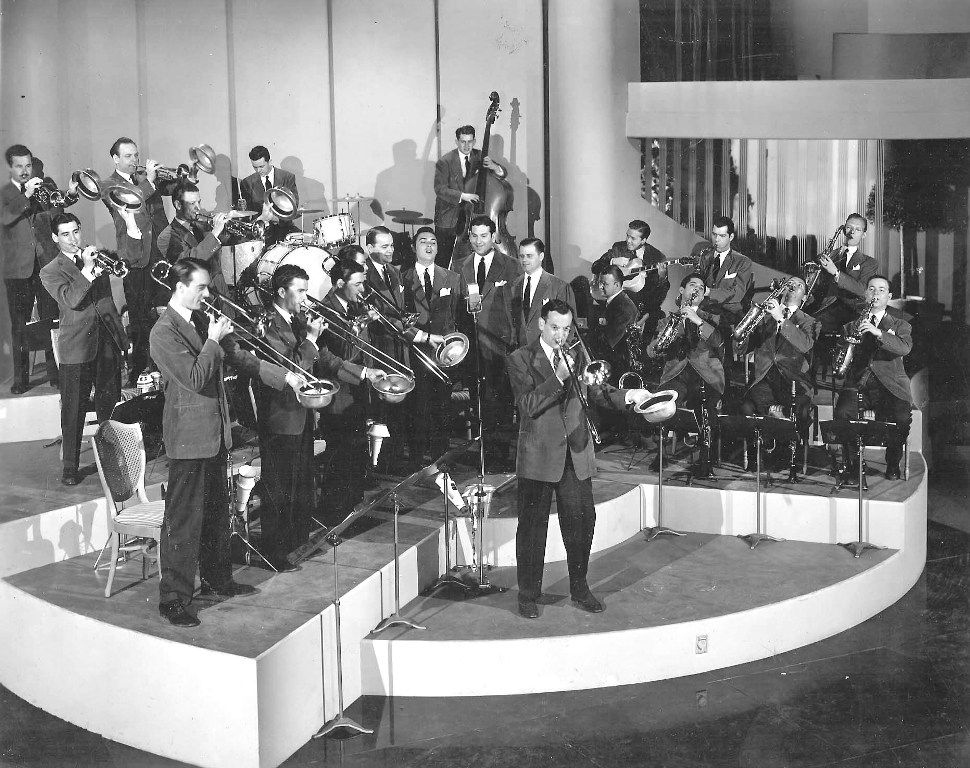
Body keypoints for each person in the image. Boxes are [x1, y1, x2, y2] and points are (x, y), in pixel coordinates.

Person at [149, 258, 304, 627]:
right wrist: (214, 340)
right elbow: (195, 376)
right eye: (201, 287)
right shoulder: (163, 332)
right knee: (184, 521)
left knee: (217, 513)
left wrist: (286, 378)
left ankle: (218, 580)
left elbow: (241, 358)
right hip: (188, 439)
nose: (208, 294)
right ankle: (174, 599)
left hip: (215, 434)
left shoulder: (201, 321)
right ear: (180, 287)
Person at [508, 299, 649, 619]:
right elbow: (528, 405)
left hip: (576, 452)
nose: (561, 334)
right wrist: (557, 379)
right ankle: (528, 594)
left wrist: (629, 396)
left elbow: (599, 392)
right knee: (532, 529)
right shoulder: (519, 358)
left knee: (582, 521)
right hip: (538, 456)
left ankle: (580, 586)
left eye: (566, 328)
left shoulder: (578, 354)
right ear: (541, 325)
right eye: (555, 327)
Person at [254, 263, 371, 570]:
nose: (306, 297)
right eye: (301, 291)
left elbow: (318, 361)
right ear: (281, 292)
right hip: (280, 417)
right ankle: (276, 552)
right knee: (280, 487)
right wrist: (311, 339)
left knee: (301, 484)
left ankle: (296, 544)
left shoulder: (295, 319)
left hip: (303, 414)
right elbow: (289, 366)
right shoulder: (267, 323)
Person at [40, 212, 134, 485]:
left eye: (76, 231)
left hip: (106, 341)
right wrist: (87, 271)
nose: (73, 239)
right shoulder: (50, 271)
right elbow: (71, 299)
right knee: (73, 411)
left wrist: (122, 339)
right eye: (65, 235)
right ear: (56, 239)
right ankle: (70, 467)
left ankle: (112, 461)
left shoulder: (95, 256)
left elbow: (106, 303)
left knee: (110, 407)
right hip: (77, 346)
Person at [1, 145, 76, 392]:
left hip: (45, 265)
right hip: (18, 270)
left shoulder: (45, 189)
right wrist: (26, 196)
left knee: (51, 319)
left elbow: (59, 212)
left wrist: (68, 194)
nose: (26, 171)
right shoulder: (6, 194)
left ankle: (55, 374)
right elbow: (5, 218)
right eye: (21, 166)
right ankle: (21, 380)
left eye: (30, 166)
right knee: (19, 325)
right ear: (12, 168)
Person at [451, 215, 522, 469]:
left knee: (501, 401)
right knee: (477, 400)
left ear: (494, 237)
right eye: (474, 235)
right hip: (472, 347)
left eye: (484, 236)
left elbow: (517, 309)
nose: (478, 241)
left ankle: (499, 456)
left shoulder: (512, 265)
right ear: (468, 237)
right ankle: (482, 451)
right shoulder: (460, 265)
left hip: (500, 346)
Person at [102, 136, 172, 386]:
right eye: (129, 156)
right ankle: (139, 370)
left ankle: (162, 367)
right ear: (116, 159)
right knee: (140, 318)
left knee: (162, 314)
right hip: (134, 259)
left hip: (156, 255)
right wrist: (151, 181)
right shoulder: (108, 185)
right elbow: (131, 200)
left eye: (136, 155)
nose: (135, 160)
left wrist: (181, 177)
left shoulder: (143, 180)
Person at [830, 275, 912, 482]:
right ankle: (854, 465)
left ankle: (893, 462)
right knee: (842, 413)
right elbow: (840, 361)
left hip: (891, 387)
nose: (876, 294)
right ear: (866, 294)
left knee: (901, 418)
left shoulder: (901, 324)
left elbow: (904, 348)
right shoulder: (850, 326)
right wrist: (846, 348)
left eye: (881, 290)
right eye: (872, 289)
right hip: (859, 384)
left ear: (889, 296)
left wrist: (878, 333)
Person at [646, 273, 725, 477]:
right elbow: (651, 351)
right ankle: (661, 453)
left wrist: (697, 320)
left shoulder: (712, 317)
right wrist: (661, 342)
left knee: (706, 407)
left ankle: (705, 459)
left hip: (706, 374)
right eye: (692, 285)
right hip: (676, 373)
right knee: (660, 402)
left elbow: (718, 341)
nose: (697, 289)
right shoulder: (666, 320)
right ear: (682, 291)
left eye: (701, 287)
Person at [738, 276, 819, 469]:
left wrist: (781, 319)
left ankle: (784, 454)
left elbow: (805, 345)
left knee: (796, 409)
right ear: (782, 289)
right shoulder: (763, 316)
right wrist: (745, 331)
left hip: (793, 380)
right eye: (790, 283)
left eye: (799, 285)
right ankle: (762, 450)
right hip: (764, 378)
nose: (793, 286)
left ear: (804, 297)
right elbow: (742, 348)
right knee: (747, 406)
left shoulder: (810, 322)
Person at [401, 227, 464, 464]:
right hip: (415, 350)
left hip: (443, 352)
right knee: (418, 406)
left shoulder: (452, 278)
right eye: (423, 242)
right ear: (414, 247)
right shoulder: (403, 277)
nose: (429, 246)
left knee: (442, 406)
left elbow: (456, 314)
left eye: (433, 242)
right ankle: (417, 459)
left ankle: (441, 457)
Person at [804, 213, 878, 373]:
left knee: (812, 324)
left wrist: (836, 273)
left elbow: (863, 290)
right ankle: (806, 375)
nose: (852, 232)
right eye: (849, 227)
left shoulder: (869, 262)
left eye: (857, 229)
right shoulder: (829, 255)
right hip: (828, 307)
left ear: (863, 235)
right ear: (843, 229)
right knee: (801, 321)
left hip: (852, 311)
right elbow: (818, 287)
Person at [364, 225, 410, 470]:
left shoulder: (394, 271)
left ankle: (393, 459)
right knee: (381, 404)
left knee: (397, 403)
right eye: (384, 246)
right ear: (369, 248)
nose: (391, 251)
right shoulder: (364, 274)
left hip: (397, 347)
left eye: (391, 245)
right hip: (379, 346)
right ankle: (379, 463)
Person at [433, 125, 507, 268]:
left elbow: (503, 174)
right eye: (463, 142)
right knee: (443, 262)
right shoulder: (445, 161)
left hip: (472, 217)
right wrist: (463, 196)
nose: (467, 146)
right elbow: (440, 189)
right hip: (448, 218)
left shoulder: (480, 156)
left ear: (474, 141)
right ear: (456, 141)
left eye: (470, 141)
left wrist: (494, 167)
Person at [694, 215, 754, 388]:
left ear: (731, 237)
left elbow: (737, 293)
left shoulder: (743, 261)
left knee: (719, 338)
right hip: (705, 311)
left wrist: (708, 292)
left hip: (728, 314)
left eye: (721, 236)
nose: (716, 240)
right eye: (714, 235)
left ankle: (721, 388)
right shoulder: (704, 257)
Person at [591, 219, 668, 336]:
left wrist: (662, 277)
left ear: (644, 240)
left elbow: (661, 292)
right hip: (614, 301)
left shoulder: (657, 256)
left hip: (640, 304)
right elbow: (595, 267)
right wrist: (612, 260)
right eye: (627, 236)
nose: (628, 241)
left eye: (633, 238)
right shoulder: (618, 248)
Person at [156, 182, 236, 291]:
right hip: (200, 295)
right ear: (178, 205)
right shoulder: (166, 236)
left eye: (199, 202)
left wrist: (260, 220)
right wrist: (215, 233)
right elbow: (188, 263)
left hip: (221, 289)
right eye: (192, 203)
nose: (198, 207)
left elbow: (229, 240)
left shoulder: (201, 225)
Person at [510, 237, 573, 349]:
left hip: (547, 352)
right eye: (521, 256)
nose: (524, 260)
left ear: (541, 256)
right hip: (519, 353)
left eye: (529, 256)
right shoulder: (512, 285)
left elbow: (570, 326)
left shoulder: (559, 286)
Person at [587, 265, 639, 384]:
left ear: (616, 285)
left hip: (616, 370)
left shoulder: (624, 307)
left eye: (604, 284)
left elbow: (608, 342)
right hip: (610, 362)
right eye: (600, 283)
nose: (600, 287)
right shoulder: (613, 301)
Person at [239, 145, 299, 244]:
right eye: (255, 167)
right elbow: (247, 214)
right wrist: (241, 208)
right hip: (260, 233)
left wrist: (275, 219)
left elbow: (294, 207)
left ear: (269, 161)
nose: (258, 170)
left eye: (261, 166)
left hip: (284, 229)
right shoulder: (247, 183)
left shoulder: (287, 177)